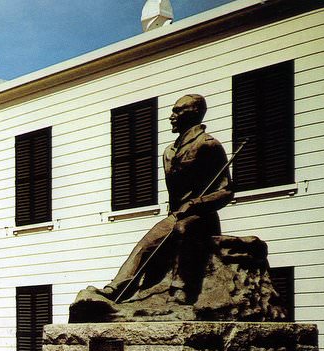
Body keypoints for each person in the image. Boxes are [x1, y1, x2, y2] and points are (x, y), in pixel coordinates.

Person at [98, 94, 233, 304]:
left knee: (183, 230)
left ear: (195, 112)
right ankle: (116, 289)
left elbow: (226, 192)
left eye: (178, 111)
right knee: (146, 244)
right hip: (176, 215)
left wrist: (196, 204)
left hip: (201, 218)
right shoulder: (169, 151)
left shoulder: (209, 145)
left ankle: (182, 290)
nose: (171, 116)